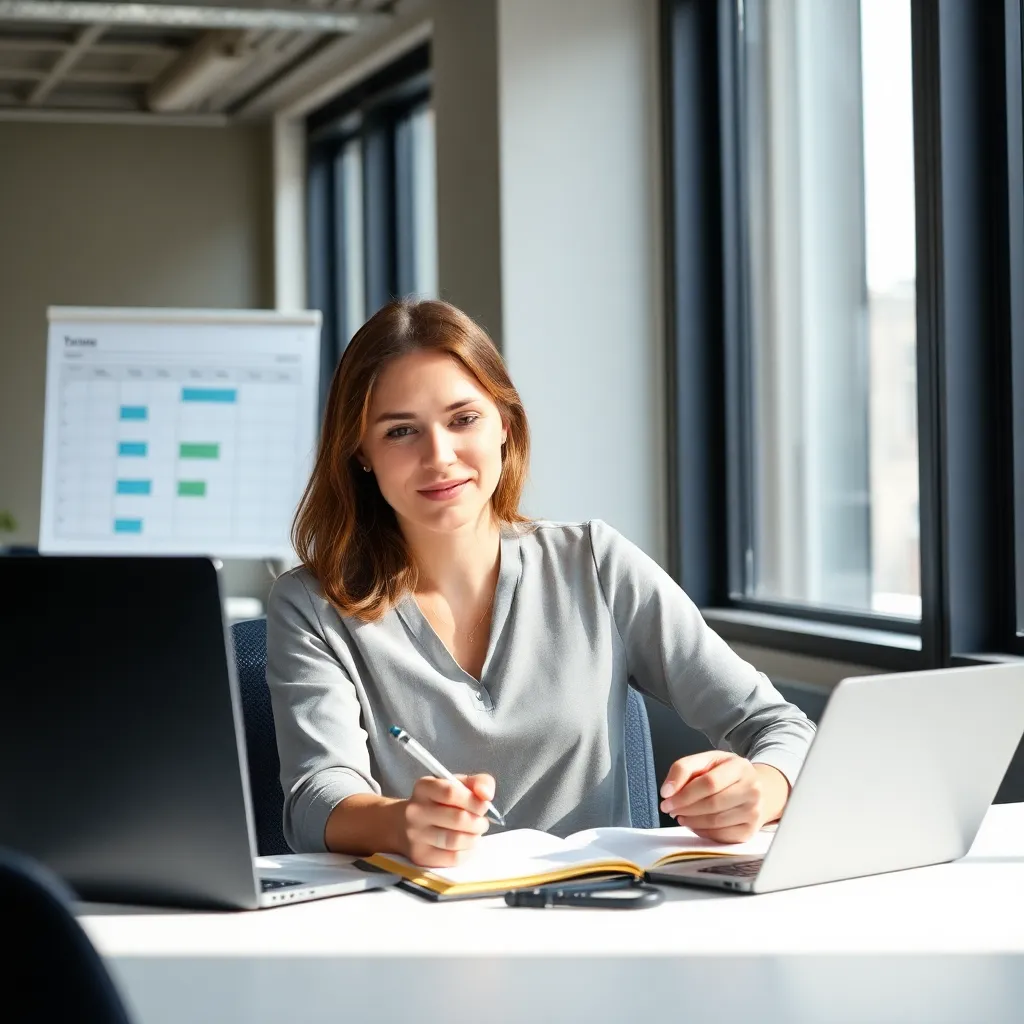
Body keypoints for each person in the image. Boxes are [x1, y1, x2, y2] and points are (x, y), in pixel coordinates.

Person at [266, 299, 815, 868]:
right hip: (424, 926)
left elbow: (776, 725)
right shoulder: (313, 604)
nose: (440, 456)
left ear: (504, 423)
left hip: (601, 918)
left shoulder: (594, 562)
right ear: (361, 452)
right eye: (401, 431)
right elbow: (314, 801)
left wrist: (761, 787)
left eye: (463, 419)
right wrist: (401, 823)